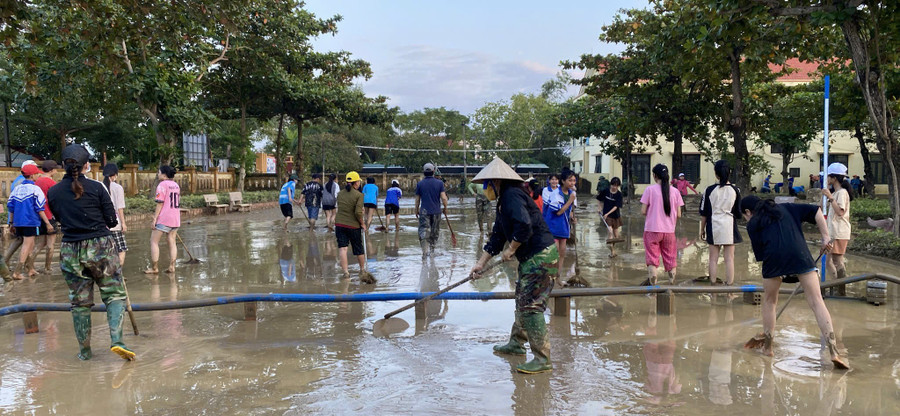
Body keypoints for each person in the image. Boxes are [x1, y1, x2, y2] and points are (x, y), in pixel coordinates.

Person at [470, 157, 558, 374]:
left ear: (496, 182)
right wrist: (480, 264)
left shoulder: (511, 196)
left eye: (486, 185)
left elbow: (524, 225)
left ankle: (542, 358)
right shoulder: (504, 201)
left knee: (531, 307)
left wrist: (512, 250)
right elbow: (497, 237)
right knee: (522, 301)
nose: (485, 189)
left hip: (541, 257)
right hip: (532, 258)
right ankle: (516, 344)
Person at [739, 195, 849, 369]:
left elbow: (761, 256)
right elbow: (817, 211)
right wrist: (825, 238)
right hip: (800, 256)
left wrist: (783, 273)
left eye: (745, 216)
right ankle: (834, 352)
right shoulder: (787, 208)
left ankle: (768, 348)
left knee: (770, 301)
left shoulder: (753, 224)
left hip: (773, 260)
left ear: (747, 212)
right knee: (817, 302)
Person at [48, 144, 135, 361]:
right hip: (101, 246)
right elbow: (112, 220)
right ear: (87, 165)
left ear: (63, 166)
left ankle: (85, 352)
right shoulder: (98, 188)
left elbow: (59, 218)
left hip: (70, 250)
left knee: (79, 302)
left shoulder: (54, 191)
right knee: (114, 294)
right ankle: (117, 341)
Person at [7, 163, 55, 280]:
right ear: (33, 175)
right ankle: (17, 272)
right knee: (27, 245)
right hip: (30, 221)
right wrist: (48, 223)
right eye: (37, 174)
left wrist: (11, 223)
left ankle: (30, 269)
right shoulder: (35, 189)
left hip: (18, 222)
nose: (38, 175)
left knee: (30, 244)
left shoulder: (17, 188)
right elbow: (40, 208)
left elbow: (10, 206)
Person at [699, 160, 742, 285]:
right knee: (729, 259)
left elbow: (704, 213)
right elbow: (738, 213)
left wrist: (702, 229)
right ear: (729, 173)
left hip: (713, 225)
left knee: (713, 259)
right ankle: (730, 286)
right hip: (729, 225)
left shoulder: (709, 190)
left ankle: (713, 286)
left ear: (716, 174)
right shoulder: (735, 190)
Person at [641, 164, 684, 285]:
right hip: (669, 231)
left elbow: (643, 211)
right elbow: (679, 214)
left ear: (655, 176)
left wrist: (654, 213)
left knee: (652, 259)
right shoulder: (675, 192)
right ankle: (671, 286)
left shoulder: (649, 190)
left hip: (652, 230)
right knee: (670, 258)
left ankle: (653, 289)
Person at [335, 171, 374, 283]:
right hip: (353, 226)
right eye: (358, 182)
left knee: (343, 248)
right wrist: (362, 223)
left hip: (339, 225)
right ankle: (362, 271)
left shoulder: (340, 194)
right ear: (356, 183)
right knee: (358, 248)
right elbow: (357, 213)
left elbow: (344, 207)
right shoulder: (359, 195)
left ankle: (346, 273)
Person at [823, 162, 853, 296]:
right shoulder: (836, 193)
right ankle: (835, 284)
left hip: (839, 231)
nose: (827, 179)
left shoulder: (841, 193)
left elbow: (840, 212)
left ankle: (841, 289)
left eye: (828, 177)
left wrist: (829, 197)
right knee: (827, 260)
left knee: (837, 260)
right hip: (832, 232)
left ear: (834, 178)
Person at [144, 166, 180, 274]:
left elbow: (160, 203)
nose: (158, 174)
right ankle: (172, 266)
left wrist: (155, 219)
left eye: (159, 172)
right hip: (175, 218)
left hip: (164, 218)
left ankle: (154, 268)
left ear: (164, 175)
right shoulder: (176, 185)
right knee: (172, 242)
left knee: (154, 241)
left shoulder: (162, 185)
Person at [3, 160, 39, 267]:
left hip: (16, 217)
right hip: (23, 218)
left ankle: (23, 265)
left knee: (21, 241)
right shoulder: (24, 183)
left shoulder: (18, 182)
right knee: (27, 241)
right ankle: (25, 266)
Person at [542, 172, 577, 273]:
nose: (572, 183)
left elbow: (568, 211)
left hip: (564, 228)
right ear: (563, 181)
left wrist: (573, 217)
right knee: (554, 254)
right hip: (553, 227)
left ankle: (557, 277)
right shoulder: (555, 194)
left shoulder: (571, 194)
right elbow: (559, 212)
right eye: (570, 180)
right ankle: (548, 277)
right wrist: (570, 200)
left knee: (562, 254)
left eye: (574, 181)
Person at [415, 163, 448, 257]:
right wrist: (445, 208)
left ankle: (424, 252)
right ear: (433, 171)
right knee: (434, 232)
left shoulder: (420, 184)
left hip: (424, 212)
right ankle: (432, 251)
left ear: (424, 172)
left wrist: (416, 210)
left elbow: (417, 199)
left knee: (423, 231)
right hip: (436, 212)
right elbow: (444, 198)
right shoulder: (439, 183)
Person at [32, 160, 60, 274]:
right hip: (49, 215)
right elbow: (56, 201)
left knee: (41, 243)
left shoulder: (36, 181)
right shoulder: (51, 183)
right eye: (56, 169)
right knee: (51, 243)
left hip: (39, 216)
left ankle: (29, 265)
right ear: (52, 170)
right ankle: (47, 268)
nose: (57, 171)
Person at [101, 163, 129, 269]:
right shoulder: (117, 188)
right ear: (115, 175)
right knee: (121, 249)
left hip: (103, 224)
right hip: (115, 223)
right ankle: (118, 272)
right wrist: (123, 223)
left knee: (106, 250)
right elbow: (120, 208)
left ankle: (108, 272)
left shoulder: (99, 186)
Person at [597, 177, 624, 257]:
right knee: (610, 231)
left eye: (616, 186)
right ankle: (612, 252)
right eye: (613, 185)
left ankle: (613, 248)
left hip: (615, 216)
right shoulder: (605, 191)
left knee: (616, 235)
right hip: (607, 216)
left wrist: (607, 213)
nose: (614, 187)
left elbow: (616, 206)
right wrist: (599, 208)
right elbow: (599, 199)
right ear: (610, 184)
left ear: (618, 186)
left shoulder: (619, 195)